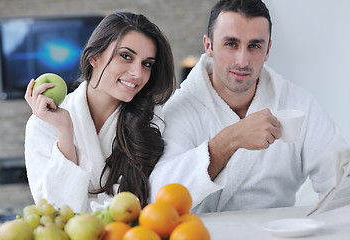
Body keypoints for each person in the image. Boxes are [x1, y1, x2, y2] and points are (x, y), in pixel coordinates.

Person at [149, 0, 348, 214]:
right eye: (231, 44)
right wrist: (231, 139)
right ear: (208, 46)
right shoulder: (180, 109)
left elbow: (341, 183)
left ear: (268, 50)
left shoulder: (297, 103)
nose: (242, 61)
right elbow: (160, 196)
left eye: (254, 46)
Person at [24, 11, 176, 213]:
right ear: (94, 57)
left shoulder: (151, 118)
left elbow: (147, 202)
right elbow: (56, 211)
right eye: (126, 56)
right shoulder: (43, 123)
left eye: (147, 64)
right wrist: (65, 131)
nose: (138, 73)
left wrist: (86, 206)